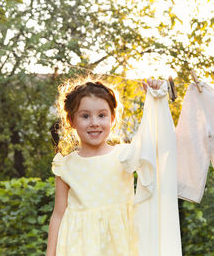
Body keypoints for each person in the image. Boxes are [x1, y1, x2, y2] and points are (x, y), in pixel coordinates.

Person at [46, 77, 163, 256]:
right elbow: (58, 215)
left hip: (121, 245)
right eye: (85, 116)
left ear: (113, 118)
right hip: (80, 247)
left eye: (101, 115)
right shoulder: (66, 165)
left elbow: (157, 145)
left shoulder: (125, 155)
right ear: (71, 121)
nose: (94, 122)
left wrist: (155, 100)